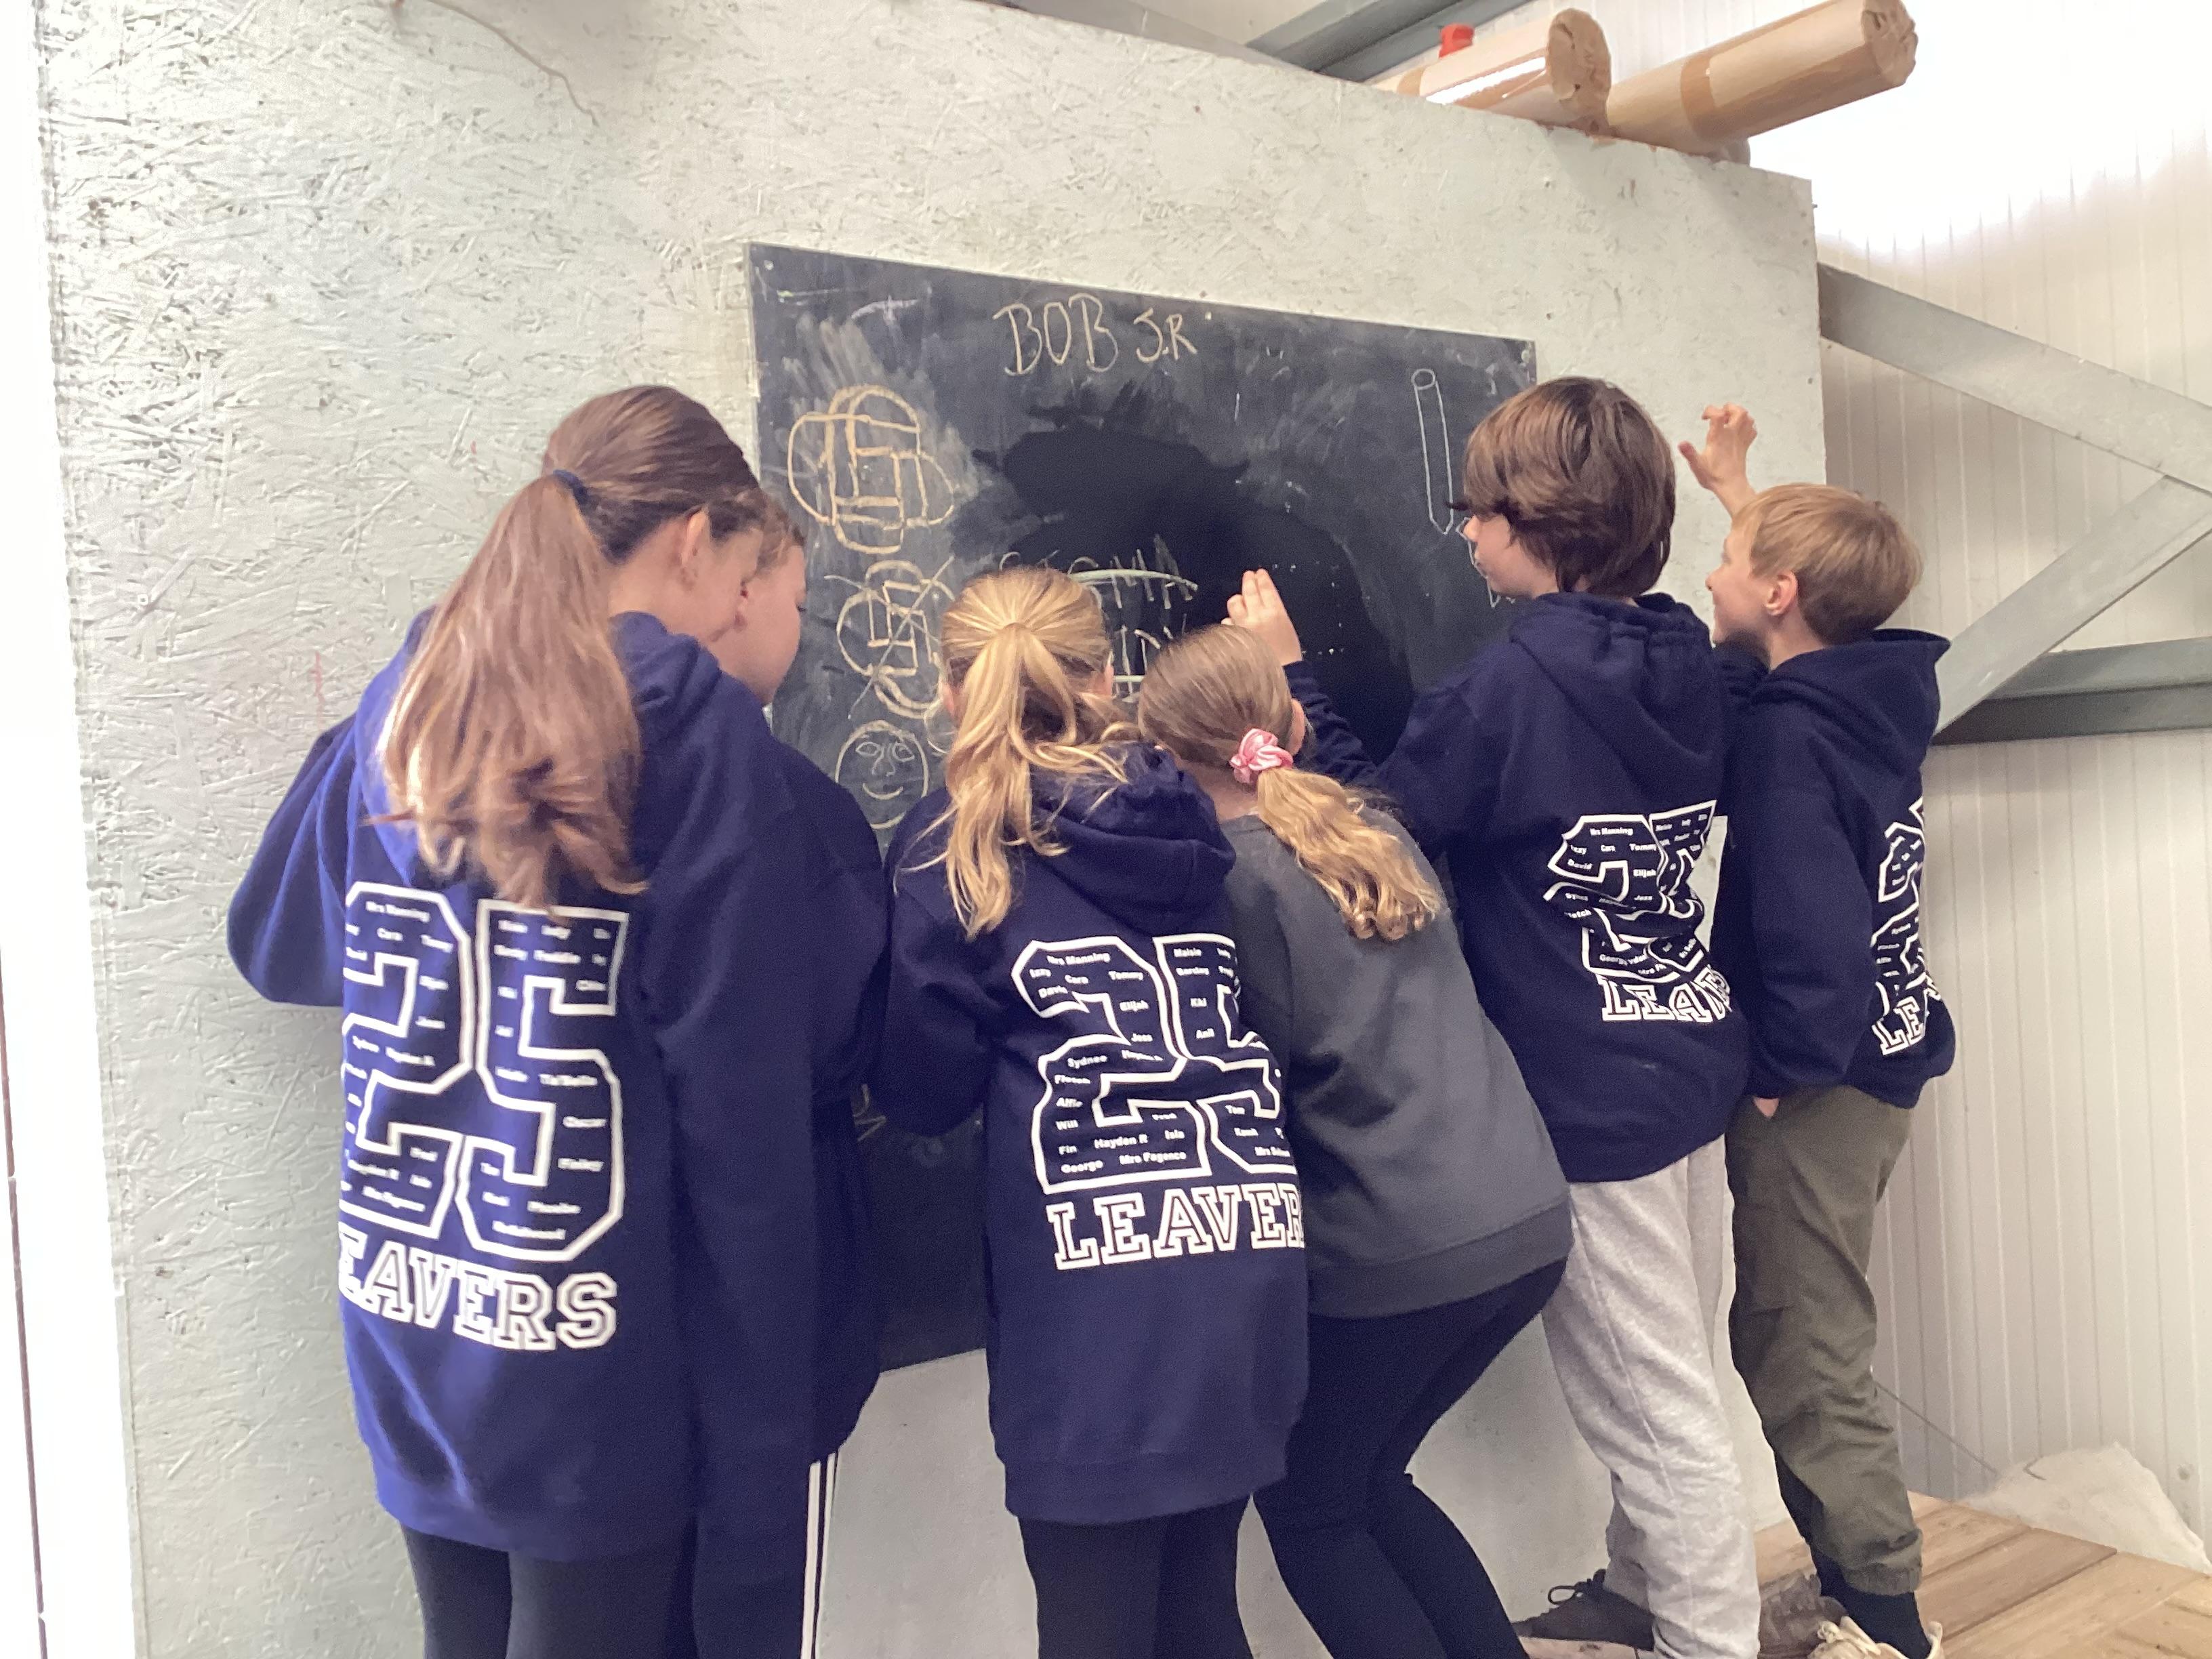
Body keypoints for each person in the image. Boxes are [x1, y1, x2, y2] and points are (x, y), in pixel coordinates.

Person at [228, 386, 872, 1659]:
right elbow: (738, 1127)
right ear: (694, 541)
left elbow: (280, 940)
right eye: (746, 571)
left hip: (419, 1325)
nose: (743, 608)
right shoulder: (685, 720)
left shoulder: (419, 692)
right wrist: (760, 1465)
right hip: (594, 1371)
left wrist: (403, 702)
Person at [1233, 377, 1761, 1659]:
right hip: (1688, 1059)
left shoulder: (1508, 691)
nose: (1465, 534)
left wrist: (1292, 676)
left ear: (1542, 523)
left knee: (1660, 1421)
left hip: (1589, 1102)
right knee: (1679, 1370)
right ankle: (1643, 1587)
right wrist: (1742, 495)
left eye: (1479, 513)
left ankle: (1710, 1640)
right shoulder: (1692, 659)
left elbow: (1384, 838)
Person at [870, 566, 1307, 1659]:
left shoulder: (952, 844)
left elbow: (923, 1091)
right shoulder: (1184, 807)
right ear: (1108, 677)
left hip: (1094, 1308)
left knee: (1095, 1625)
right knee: (1200, 1608)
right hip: (1240, 1259)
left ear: (949, 692)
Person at [1133, 623, 1569, 1659]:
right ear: (1288, 721)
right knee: (1368, 1482)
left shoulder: (1233, 885)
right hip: (1523, 1220)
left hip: (1401, 1247)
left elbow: (1257, 1077)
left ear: (1163, 758)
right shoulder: (1372, 830)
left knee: (1315, 1509)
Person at [1685, 405, 1955, 1659]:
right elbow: (1771, 633)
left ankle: (1890, 1626)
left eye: (1729, 563)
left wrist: (1784, 1069)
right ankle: (1855, 1587)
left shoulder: (1793, 740)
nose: (1710, 578)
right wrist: (1738, 493)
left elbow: (1810, 929)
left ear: (1781, 593)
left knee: (1804, 1350)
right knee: (1799, 1334)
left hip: (1824, 1079)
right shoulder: (1863, 694)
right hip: (1883, 1060)